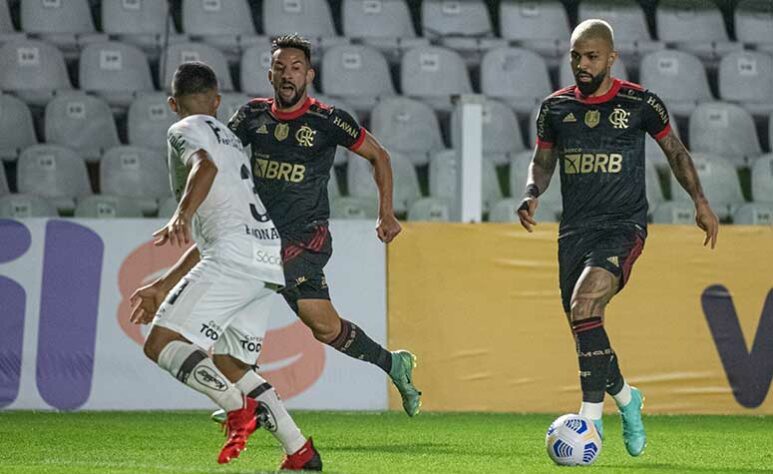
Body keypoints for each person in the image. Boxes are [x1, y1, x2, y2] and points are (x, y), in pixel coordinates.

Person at [517, 20, 719, 457]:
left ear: (611, 57)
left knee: (584, 305)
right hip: (574, 232)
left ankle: (589, 422)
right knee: (586, 328)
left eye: (591, 56)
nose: (582, 64)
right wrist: (532, 192)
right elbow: (542, 161)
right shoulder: (555, 108)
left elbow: (676, 153)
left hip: (623, 227)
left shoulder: (641, 102)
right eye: (575, 56)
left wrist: (699, 201)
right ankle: (628, 400)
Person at [129, 61, 322, 471]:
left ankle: (239, 410)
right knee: (232, 363)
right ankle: (300, 452)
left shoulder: (183, 129)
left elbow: (204, 166)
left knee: (161, 343)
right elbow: (212, 238)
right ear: (217, 101)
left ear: (172, 103)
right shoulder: (231, 140)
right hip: (266, 260)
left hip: (235, 257)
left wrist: (181, 214)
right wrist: (164, 285)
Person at [225, 34, 421, 417]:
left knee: (248, 284)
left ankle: (248, 393)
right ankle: (393, 364)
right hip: (263, 235)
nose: (288, 75)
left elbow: (378, 156)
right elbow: (221, 155)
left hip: (305, 237)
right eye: (280, 68)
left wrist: (386, 213)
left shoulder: (328, 120)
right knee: (326, 327)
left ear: (308, 75)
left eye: (296, 68)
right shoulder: (251, 117)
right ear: (270, 74)